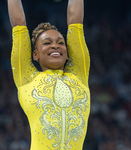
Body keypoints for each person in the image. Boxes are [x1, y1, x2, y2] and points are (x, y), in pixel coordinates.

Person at [8, 0, 90, 149]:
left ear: (67, 54)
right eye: (46, 43)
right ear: (35, 54)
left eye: (60, 42)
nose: (55, 45)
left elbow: (75, 22)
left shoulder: (79, 75)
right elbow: (18, 25)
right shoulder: (27, 78)